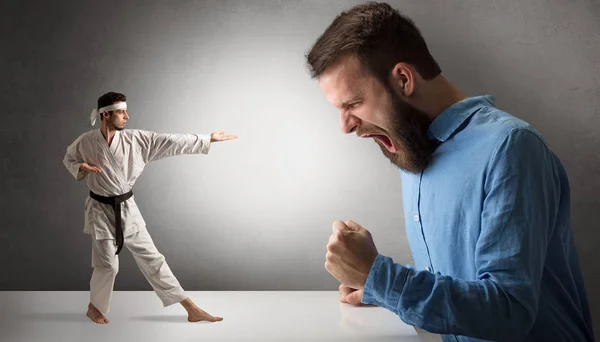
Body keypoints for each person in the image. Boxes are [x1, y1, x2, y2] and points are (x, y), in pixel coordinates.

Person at [306, 2, 594, 341]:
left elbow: (510, 311)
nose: (345, 126)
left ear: (403, 79)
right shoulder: (413, 150)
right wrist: (374, 287)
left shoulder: (511, 147)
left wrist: (378, 276)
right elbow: (462, 281)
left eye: (352, 104)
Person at [63, 91, 237, 324]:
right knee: (107, 266)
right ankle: (95, 307)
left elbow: (170, 141)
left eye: (125, 111)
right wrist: (81, 167)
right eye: (121, 112)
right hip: (100, 210)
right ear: (106, 115)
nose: (127, 116)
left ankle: (191, 308)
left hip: (126, 208)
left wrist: (207, 139)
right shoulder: (86, 142)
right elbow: (69, 158)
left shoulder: (137, 140)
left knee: (153, 258)